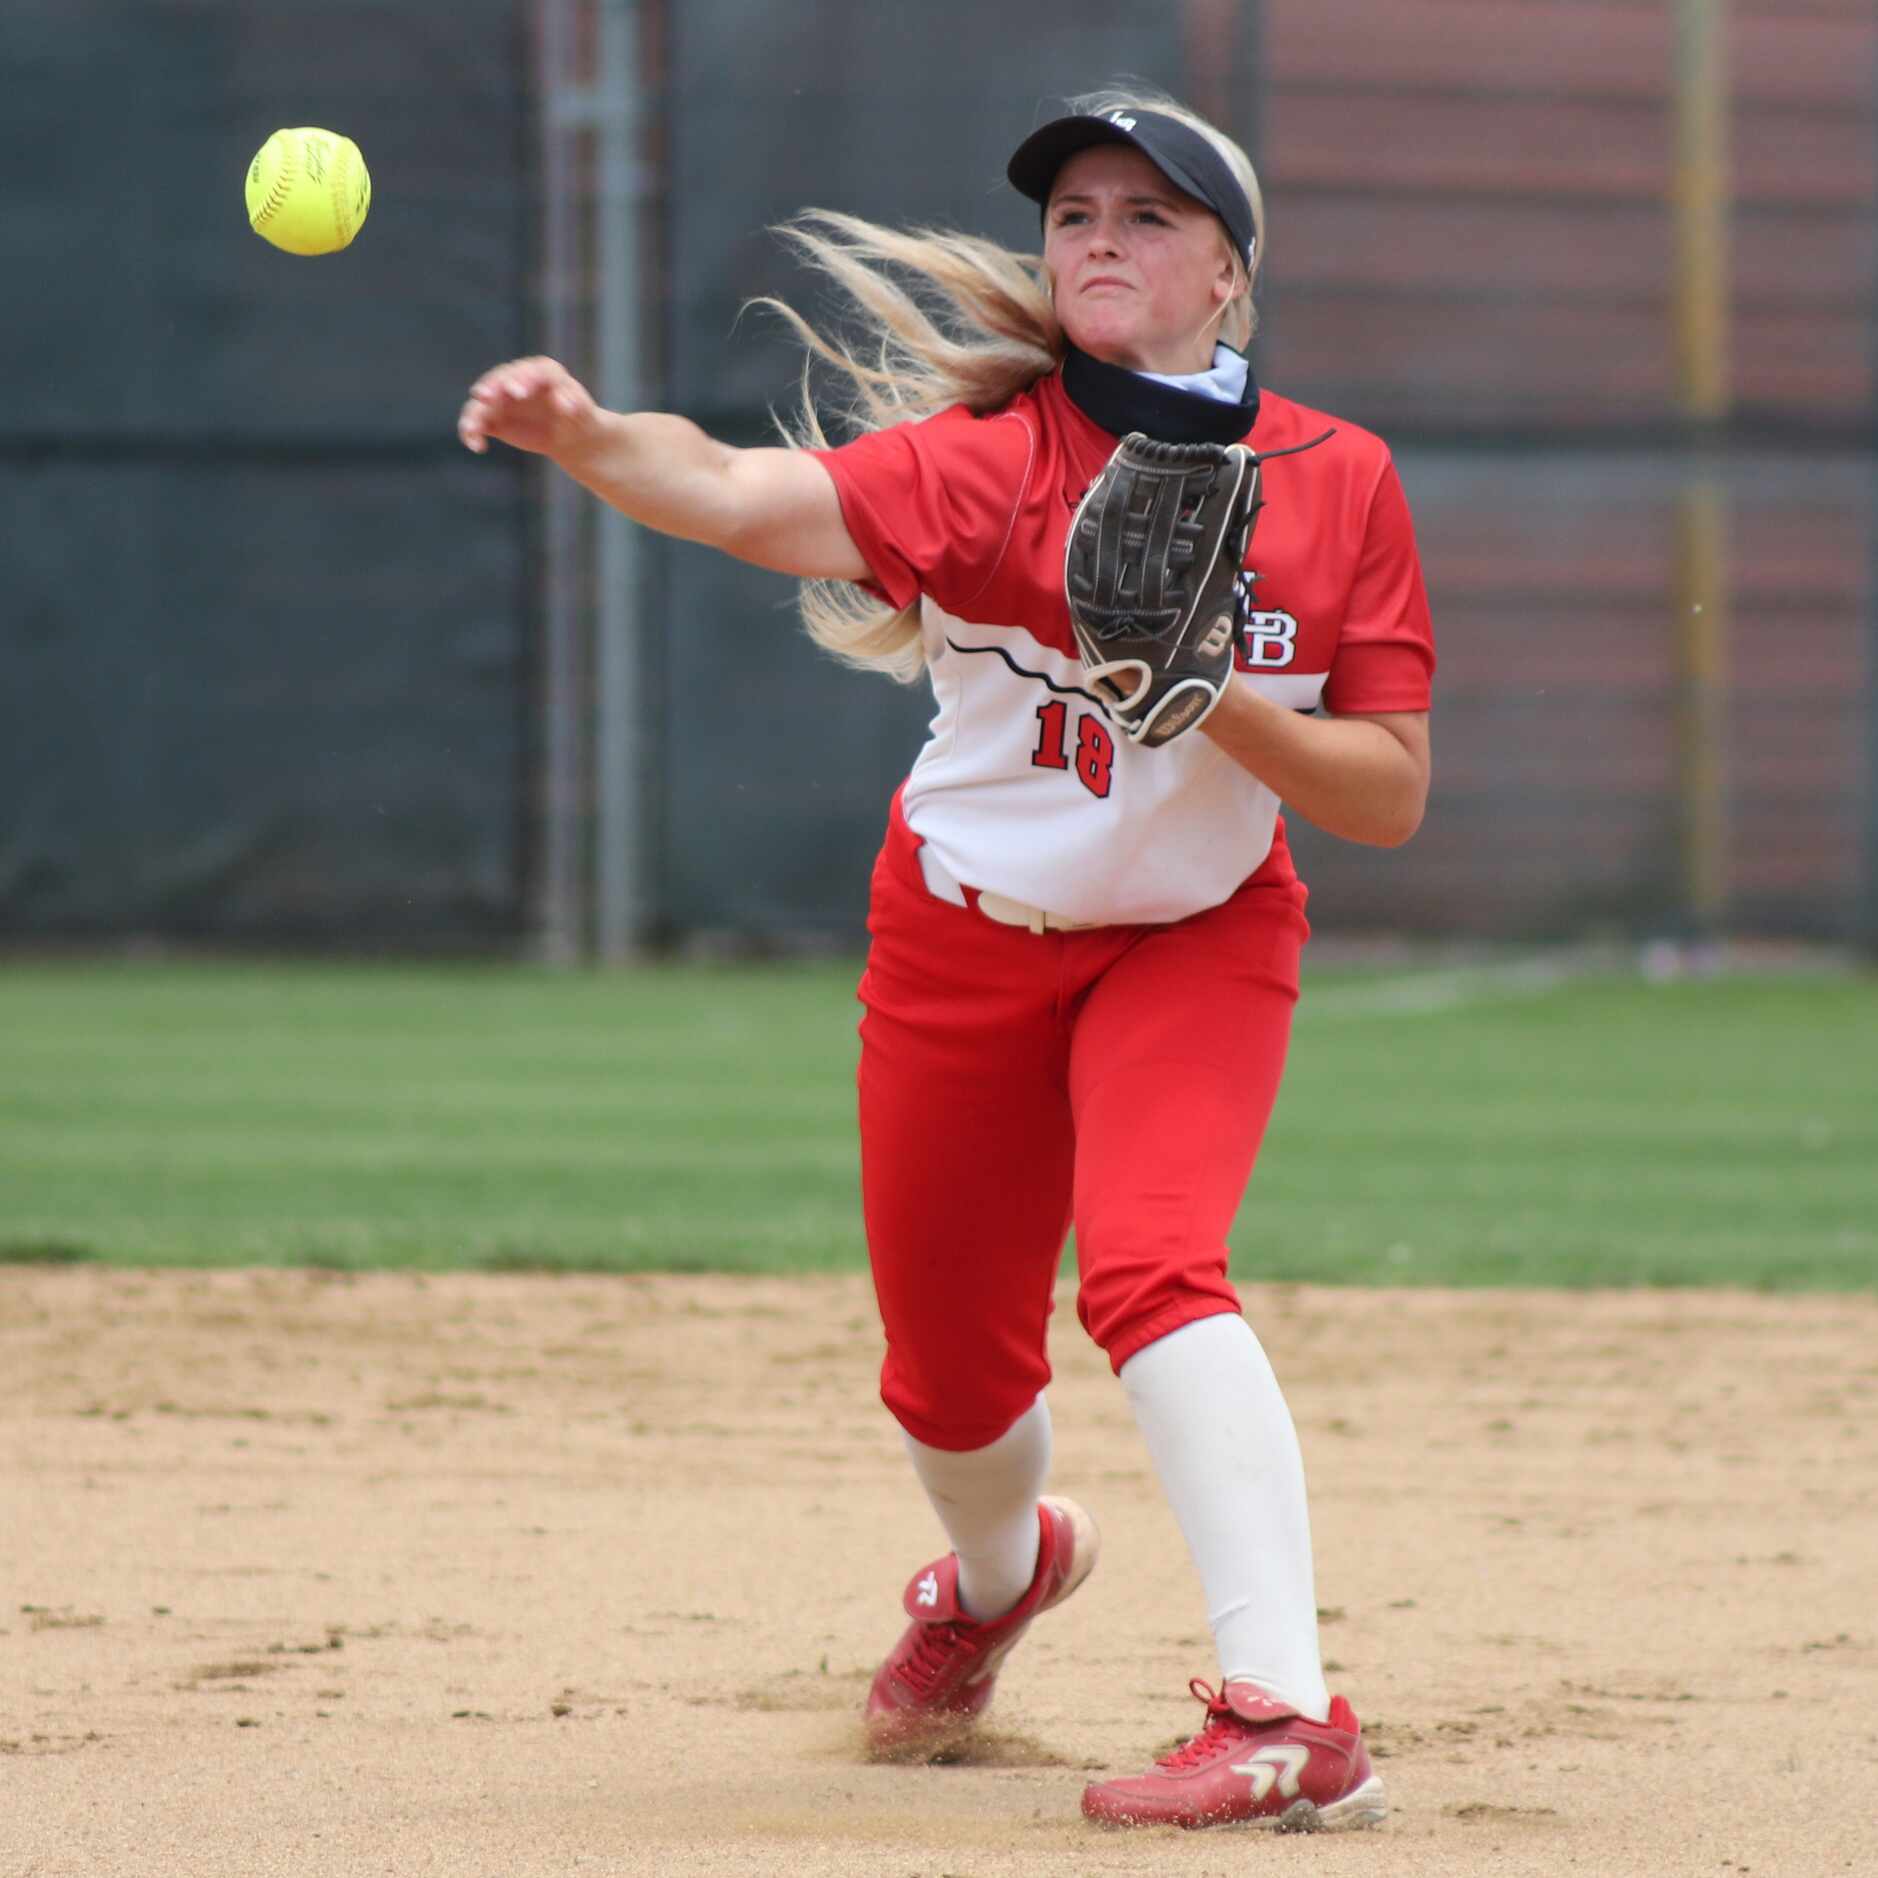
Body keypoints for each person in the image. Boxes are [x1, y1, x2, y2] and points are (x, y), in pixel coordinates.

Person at [459, 84, 1432, 1833]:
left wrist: (1215, 704)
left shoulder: (1335, 477)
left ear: (1229, 268)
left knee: (1150, 1269)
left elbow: (1385, 798)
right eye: (1073, 214)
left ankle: (1287, 1709)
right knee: (950, 1381)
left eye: (1146, 214)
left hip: (1199, 936)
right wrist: (595, 438)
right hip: (964, 939)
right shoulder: (990, 464)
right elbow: (744, 496)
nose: (1101, 239)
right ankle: (998, 1577)